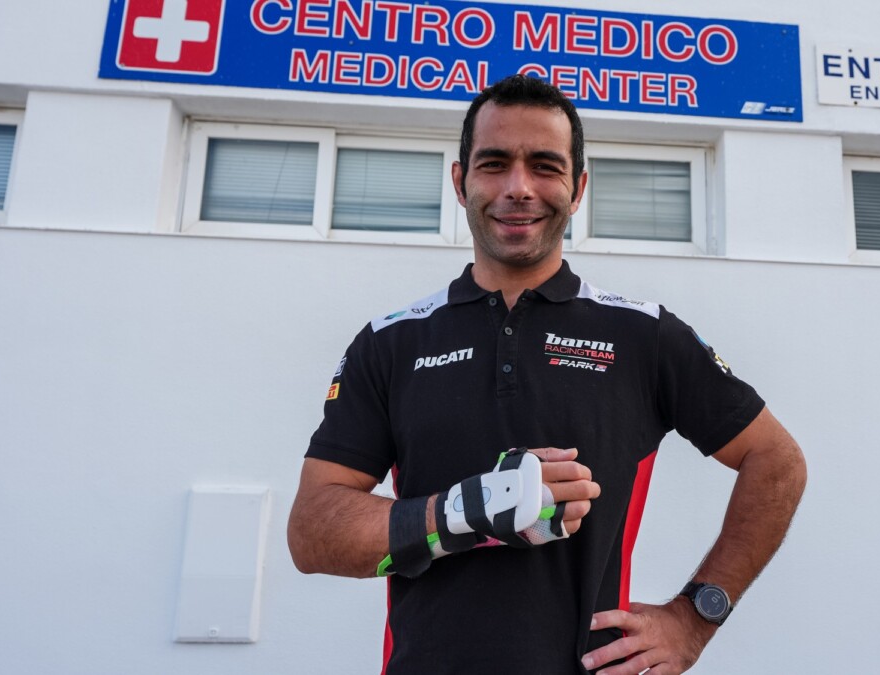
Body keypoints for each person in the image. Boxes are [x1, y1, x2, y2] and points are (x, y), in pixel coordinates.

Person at [288, 74, 807, 674]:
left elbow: (777, 461)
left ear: (578, 187)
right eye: (494, 164)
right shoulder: (390, 343)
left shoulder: (642, 335)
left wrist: (696, 615)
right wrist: (465, 511)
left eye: (544, 166)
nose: (518, 188)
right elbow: (312, 531)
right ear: (459, 182)